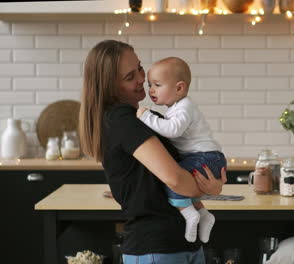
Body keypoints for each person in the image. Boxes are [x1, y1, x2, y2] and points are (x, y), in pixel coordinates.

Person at [79, 40, 226, 264]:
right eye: (130, 77)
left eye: (139, 68)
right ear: (110, 86)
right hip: (156, 248)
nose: (142, 79)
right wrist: (209, 188)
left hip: (177, 245)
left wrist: (209, 187)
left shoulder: (144, 117)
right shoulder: (122, 119)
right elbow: (175, 179)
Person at [136, 57, 227, 244]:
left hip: (204, 157)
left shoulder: (185, 107)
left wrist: (145, 117)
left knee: (172, 181)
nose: (151, 90)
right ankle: (204, 214)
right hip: (207, 157)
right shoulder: (176, 108)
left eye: (157, 85)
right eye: (150, 84)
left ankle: (189, 215)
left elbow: (172, 130)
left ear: (179, 88)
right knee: (182, 185)